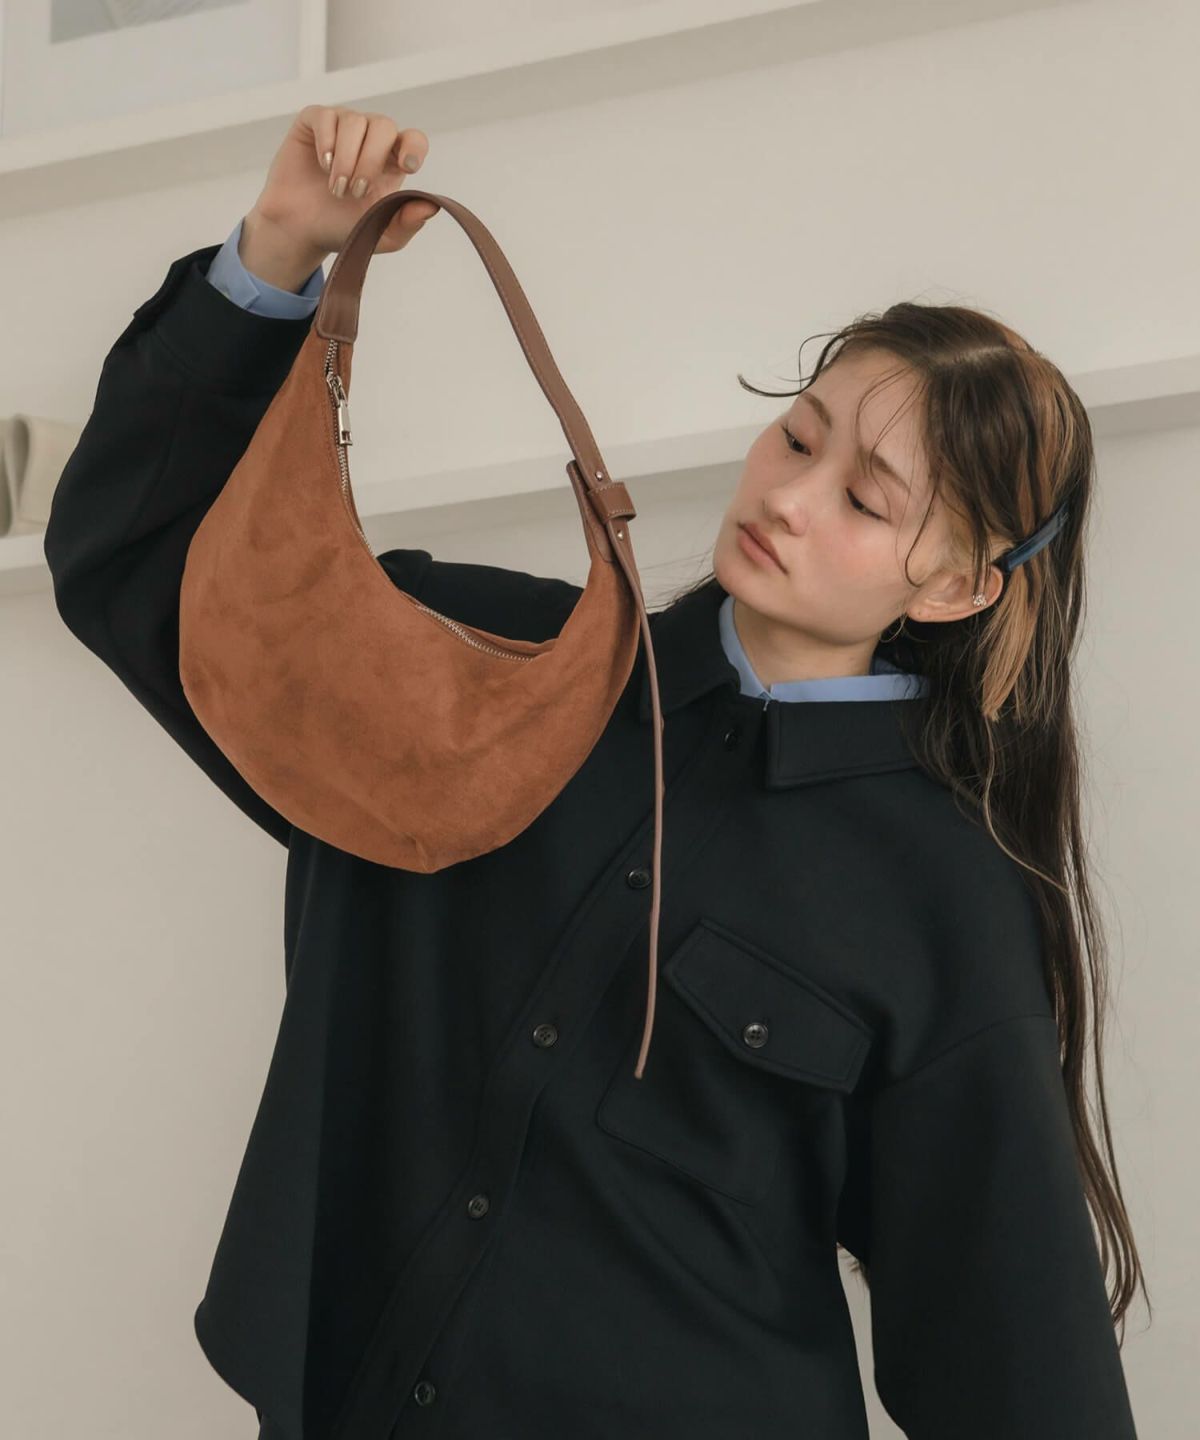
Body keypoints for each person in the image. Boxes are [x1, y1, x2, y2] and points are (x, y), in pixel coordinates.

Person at [43, 105, 1145, 1438]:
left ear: (961, 586)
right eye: (799, 439)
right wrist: (278, 251)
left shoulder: (945, 893)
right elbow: (139, 566)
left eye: (868, 500)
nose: (790, 498)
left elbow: (1018, 1361)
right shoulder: (462, 662)